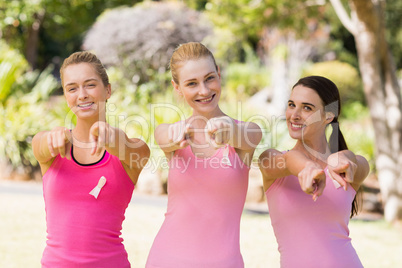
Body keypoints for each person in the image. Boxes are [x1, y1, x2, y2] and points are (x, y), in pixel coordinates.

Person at [145, 42, 262, 268]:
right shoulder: (170, 133)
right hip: (167, 260)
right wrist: (176, 135)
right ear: (177, 88)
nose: (204, 90)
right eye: (191, 83)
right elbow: (165, 137)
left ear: (219, 74)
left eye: (209, 78)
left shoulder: (248, 133)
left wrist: (228, 130)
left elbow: (246, 134)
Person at [32, 51, 150, 267]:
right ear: (66, 95)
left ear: (108, 90)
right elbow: (39, 145)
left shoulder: (132, 151)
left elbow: (132, 149)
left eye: (90, 85)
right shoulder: (52, 146)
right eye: (72, 88)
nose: (82, 94)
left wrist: (112, 138)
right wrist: (51, 138)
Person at [259, 75, 370, 267]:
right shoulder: (271, 160)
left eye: (307, 108)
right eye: (292, 104)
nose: (294, 115)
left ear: (328, 115)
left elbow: (359, 163)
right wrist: (309, 168)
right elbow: (288, 160)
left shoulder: (345, 168)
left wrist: (344, 157)